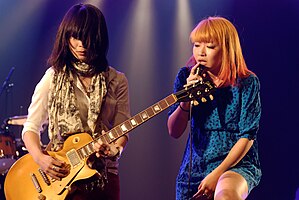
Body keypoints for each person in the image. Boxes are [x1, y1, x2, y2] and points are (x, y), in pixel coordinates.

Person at [21, 3, 130, 200]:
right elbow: (31, 127)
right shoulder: (53, 78)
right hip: (62, 175)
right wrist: (40, 159)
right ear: (66, 37)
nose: (82, 45)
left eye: (89, 38)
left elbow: (123, 127)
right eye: (76, 37)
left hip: (104, 174)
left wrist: (116, 149)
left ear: (99, 39)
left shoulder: (117, 80)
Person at [167, 16, 261, 200]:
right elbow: (173, 130)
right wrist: (186, 99)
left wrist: (217, 173)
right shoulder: (185, 76)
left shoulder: (247, 82)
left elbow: (247, 136)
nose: (201, 52)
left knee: (226, 195)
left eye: (210, 47)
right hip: (194, 167)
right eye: (196, 45)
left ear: (227, 49)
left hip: (236, 163)